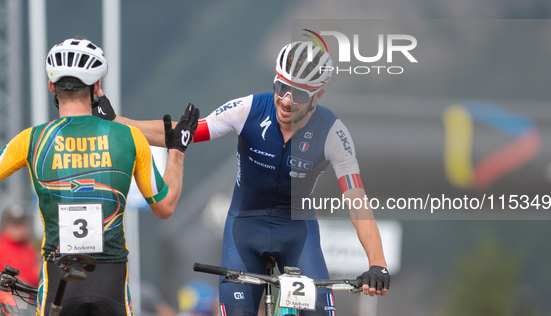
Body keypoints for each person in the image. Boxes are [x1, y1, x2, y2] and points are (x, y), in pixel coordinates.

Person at [94, 42, 390, 316]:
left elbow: (357, 202)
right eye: (281, 87)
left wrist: (377, 263)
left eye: (298, 94)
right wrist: (117, 122)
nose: (286, 101)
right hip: (245, 229)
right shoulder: (249, 109)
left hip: (298, 234)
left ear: (318, 95)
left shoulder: (332, 133)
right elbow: (181, 134)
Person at [0, 37, 198, 316]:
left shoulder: (33, 139)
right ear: (96, 88)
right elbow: (165, 207)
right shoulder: (129, 137)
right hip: (112, 279)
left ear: (51, 86)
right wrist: (177, 153)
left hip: (59, 278)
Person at [0, 204, 41, 286]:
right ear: (6, 225)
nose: (19, 229)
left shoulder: (28, 245)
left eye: (21, 224)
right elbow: (19, 277)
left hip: (29, 292)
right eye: (14, 225)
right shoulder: (2, 246)